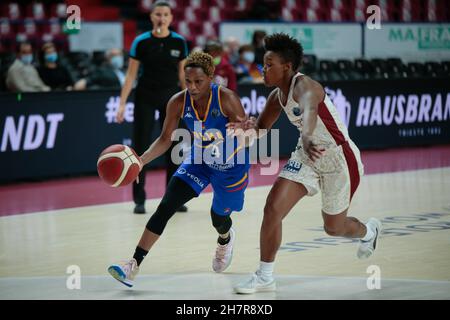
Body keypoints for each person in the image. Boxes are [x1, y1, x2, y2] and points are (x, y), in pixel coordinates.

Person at [229, 33, 382, 294]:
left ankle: (368, 232)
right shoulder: (277, 96)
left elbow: (309, 110)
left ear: (286, 67)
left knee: (333, 228)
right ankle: (265, 276)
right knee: (272, 208)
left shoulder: (306, 86)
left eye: (268, 65)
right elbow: (261, 128)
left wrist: (308, 134)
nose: (262, 69)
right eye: (262, 65)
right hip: (306, 155)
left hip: (339, 158)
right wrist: (246, 129)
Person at [108, 52, 251, 287]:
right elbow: (165, 139)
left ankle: (225, 239)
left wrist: (245, 130)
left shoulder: (227, 98)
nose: (192, 87)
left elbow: (247, 136)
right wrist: (141, 161)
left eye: (198, 82)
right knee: (165, 207)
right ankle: (132, 264)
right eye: (188, 81)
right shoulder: (177, 101)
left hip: (230, 167)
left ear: (210, 78)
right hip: (199, 161)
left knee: (219, 218)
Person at [115, 0, 189, 214]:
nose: (161, 18)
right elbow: (130, 76)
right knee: (141, 145)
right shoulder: (141, 41)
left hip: (172, 98)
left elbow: (182, 76)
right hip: (145, 96)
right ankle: (139, 199)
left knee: (175, 147)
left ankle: (173, 198)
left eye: (165, 14)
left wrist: (188, 103)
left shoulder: (179, 42)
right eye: (158, 14)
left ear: (171, 18)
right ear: (151, 17)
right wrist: (121, 104)